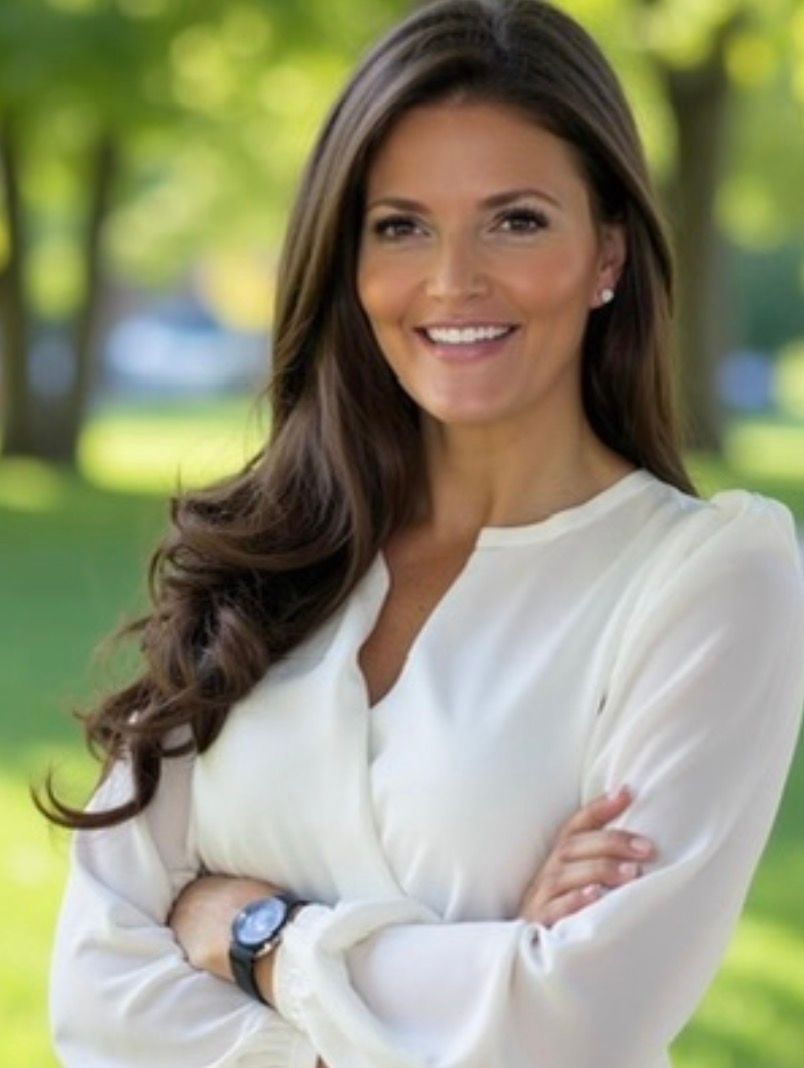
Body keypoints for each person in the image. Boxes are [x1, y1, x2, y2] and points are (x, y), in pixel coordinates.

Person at [39, 1, 804, 1066]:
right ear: (349, 264)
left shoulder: (710, 578)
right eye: (402, 225)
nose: (454, 281)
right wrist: (480, 969)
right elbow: (92, 993)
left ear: (609, 255)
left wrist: (251, 938)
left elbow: (571, 1027)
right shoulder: (265, 554)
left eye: (517, 219)